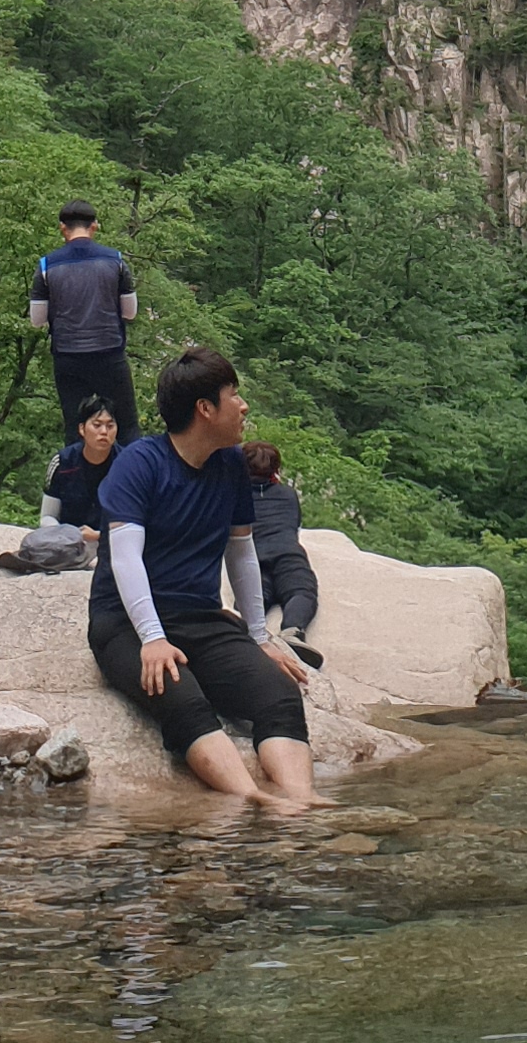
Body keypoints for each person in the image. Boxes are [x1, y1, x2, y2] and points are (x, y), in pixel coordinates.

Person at [87, 343, 322, 811]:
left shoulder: (230, 464)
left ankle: (302, 802)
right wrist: (152, 638)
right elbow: (126, 560)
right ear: (205, 409)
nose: (243, 406)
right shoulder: (139, 464)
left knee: (278, 694)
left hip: (201, 617)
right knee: (182, 698)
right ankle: (255, 800)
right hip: (126, 622)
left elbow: (242, 553)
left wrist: (258, 636)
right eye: (233, 394)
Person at [29, 199, 138, 447]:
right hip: (110, 353)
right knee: (126, 426)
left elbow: (37, 320)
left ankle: (77, 471)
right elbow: (130, 313)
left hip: (68, 356)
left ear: (62, 228)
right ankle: (131, 470)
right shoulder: (116, 261)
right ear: (94, 226)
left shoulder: (46, 266)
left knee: (76, 428)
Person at [0, 401, 118, 574]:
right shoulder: (62, 462)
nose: (104, 432)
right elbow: (47, 516)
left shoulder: (127, 465)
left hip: (112, 542)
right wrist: (71, 536)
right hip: (65, 545)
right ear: (82, 429)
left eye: (110, 426)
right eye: (97, 425)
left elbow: (136, 521)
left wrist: (99, 535)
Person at [243, 439, 322, 663]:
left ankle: (250, 632)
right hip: (287, 551)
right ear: (276, 469)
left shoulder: (234, 495)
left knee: (257, 593)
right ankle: (291, 631)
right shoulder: (288, 494)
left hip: (252, 555)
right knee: (301, 591)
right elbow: (294, 524)